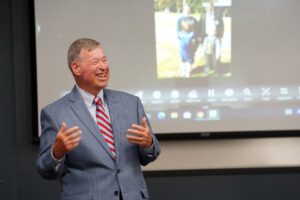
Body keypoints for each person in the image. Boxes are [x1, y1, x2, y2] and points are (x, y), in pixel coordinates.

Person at [36, 38, 161, 200]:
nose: (103, 67)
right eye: (95, 62)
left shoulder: (131, 104)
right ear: (76, 68)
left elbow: (150, 155)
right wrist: (56, 153)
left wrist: (149, 144)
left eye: (104, 60)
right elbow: (45, 170)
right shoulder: (55, 113)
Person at [198, 2, 224, 76]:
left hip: (216, 38)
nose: (208, 9)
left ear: (213, 8)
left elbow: (222, 26)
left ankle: (217, 70)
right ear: (206, 8)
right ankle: (206, 70)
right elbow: (200, 27)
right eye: (207, 7)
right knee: (207, 56)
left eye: (210, 7)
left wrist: (221, 36)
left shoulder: (218, 16)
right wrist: (200, 36)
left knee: (216, 55)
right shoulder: (203, 16)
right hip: (206, 38)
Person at [177, 5, 198, 78]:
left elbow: (196, 29)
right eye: (186, 9)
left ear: (190, 10)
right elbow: (178, 30)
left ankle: (189, 71)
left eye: (188, 9)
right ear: (184, 10)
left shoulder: (193, 19)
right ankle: (183, 70)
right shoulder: (180, 19)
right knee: (183, 58)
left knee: (190, 56)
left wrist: (194, 39)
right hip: (183, 42)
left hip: (191, 42)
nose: (187, 11)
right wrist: (180, 38)